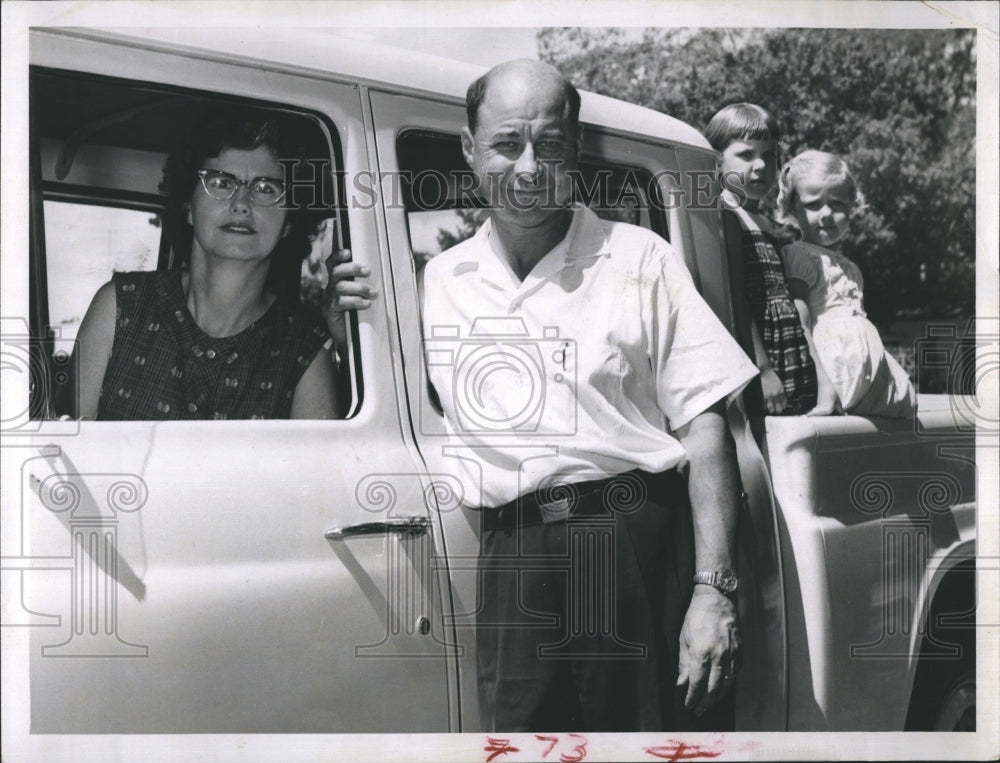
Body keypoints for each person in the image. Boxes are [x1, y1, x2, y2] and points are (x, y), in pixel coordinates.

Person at [414, 59, 757, 732]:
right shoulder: (443, 278)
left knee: (648, 740)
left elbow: (705, 421)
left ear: (576, 149)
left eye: (551, 144)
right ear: (469, 148)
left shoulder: (639, 259)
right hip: (511, 552)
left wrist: (713, 592)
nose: (529, 166)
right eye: (507, 143)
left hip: (627, 537)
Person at [66, 111, 347, 421]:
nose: (241, 203)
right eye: (222, 182)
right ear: (188, 206)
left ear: (289, 223)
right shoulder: (120, 305)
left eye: (265, 188)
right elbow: (64, 450)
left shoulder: (305, 350)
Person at [777, 150, 916, 417]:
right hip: (832, 370)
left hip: (865, 369)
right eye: (814, 204)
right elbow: (801, 325)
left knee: (906, 409)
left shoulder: (850, 267)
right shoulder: (800, 256)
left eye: (838, 204)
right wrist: (824, 388)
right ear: (794, 208)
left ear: (852, 207)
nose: (827, 214)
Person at [705, 103, 817, 415]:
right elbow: (735, 295)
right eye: (746, 154)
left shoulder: (767, 224)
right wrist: (763, 369)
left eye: (769, 155)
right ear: (717, 161)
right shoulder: (725, 215)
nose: (761, 165)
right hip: (758, 357)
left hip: (787, 352)